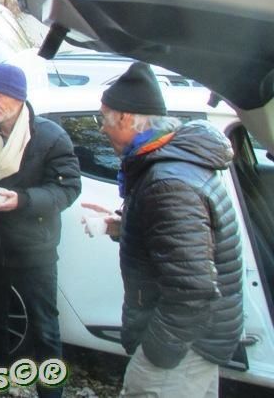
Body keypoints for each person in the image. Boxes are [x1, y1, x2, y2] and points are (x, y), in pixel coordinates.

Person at [92, 62, 243, 398]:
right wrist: (123, 225)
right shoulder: (172, 165)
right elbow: (186, 244)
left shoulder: (167, 184)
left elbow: (192, 288)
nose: (101, 128)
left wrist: (157, 352)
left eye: (104, 118)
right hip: (196, 341)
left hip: (182, 350)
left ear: (126, 118)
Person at [0, 63, 81, 398]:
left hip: (35, 248)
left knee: (45, 326)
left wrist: (22, 200)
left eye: (0, 95)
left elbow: (67, 188)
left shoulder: (49, 137)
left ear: (19, 99)